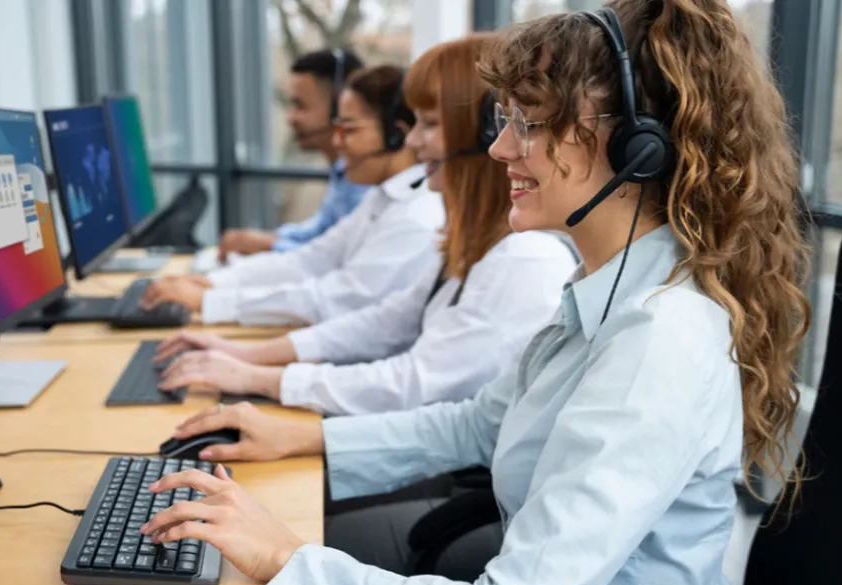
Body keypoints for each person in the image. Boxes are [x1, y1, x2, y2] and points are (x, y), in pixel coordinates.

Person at [139, 1, 811, 585]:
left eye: (530, 124)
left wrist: (284, 557)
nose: (499, 149)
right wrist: (298, 441)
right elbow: (477, 421)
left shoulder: (656, 341)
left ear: (637, 147)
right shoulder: (603, 291)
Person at [152, 34, 577, 417]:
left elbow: (412, 381)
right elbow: (384, 321)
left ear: (484, 138)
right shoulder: (472, 243)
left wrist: (258, 375)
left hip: (438, 468)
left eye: (428, 125)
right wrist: (244, 355)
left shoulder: (519, 261)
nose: (411, 142)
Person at [140, 65, 445, 325]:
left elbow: (340, 298)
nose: (337, 143)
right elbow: (310, 260)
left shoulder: (415, 215)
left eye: (349, 130)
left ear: (397, 135)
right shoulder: (384, 196)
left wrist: (212, 301)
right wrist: (212, 283)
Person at [218, 49, 371, 261]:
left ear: (339, 110)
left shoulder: (363, 183)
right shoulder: (342, 172)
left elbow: (336, 259)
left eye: (300, 106)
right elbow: (319, 231)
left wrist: (269, 244)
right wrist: (264, 239)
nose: (290, 118)